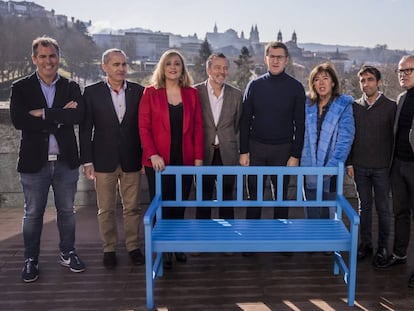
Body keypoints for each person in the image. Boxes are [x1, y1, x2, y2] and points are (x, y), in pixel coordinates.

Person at [9, 36, 86, 283]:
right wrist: (60, 116)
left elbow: (79, 116)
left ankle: (67, 252)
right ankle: (30, 259)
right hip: (34, 162)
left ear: (58, 57)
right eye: (42, 56)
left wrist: (43, 114)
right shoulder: (20, 87)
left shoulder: (71, 86)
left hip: (65, 162)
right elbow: (20, 121)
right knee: (33, 214)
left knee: (67, 211)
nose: (48, 61)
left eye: (52, 56)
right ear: (34, 59)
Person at [79, 49, 145, 270]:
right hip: (103, 161)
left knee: (132, 208)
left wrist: (145, 156)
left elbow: (144, 127)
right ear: (104, 66)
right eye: (116, 64)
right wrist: (87, 161)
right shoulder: (91, 92)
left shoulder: (138, 91)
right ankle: (109, 249)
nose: (121, 69)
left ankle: (133, 247)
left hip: (132, 159)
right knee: (105, 209)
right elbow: (85, 130)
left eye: (124, 64)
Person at [139, 49, 204, 268]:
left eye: (177, 64)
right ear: (162, 68)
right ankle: (162, 249)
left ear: (182, 68)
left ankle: (176, 245)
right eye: (169, 64)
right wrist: (152, 154)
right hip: (158, 162)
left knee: (179, 205)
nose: (173, 67)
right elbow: (144, 127)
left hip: (183, 159)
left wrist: (198, 158)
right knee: (161, 205)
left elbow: (197, 127)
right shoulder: (150, 93)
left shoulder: (191, 94)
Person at [239, 41, 305, 220]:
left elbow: (300, 124)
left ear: (286, 60)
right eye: (272, 56)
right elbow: (244, 121)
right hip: (256, 148)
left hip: (283, 150)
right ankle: (251, 240)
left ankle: (281, 239)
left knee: (281, 197)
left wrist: (295, 155)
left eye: (280, 57)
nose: (275, 61)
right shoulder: (254, 86)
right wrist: (243, 151)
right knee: (254, 196)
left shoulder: (296, 88)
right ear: (265, 58)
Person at [346, 65, 396, 268]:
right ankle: (365, 245)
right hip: (360, 166)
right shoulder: (355, 107)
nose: (366, 84)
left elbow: (396, 138)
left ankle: (383, 248)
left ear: (379, 82)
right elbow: (349, 136)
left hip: (382, 167)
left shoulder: (391, 106)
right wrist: (349, 161)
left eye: (370, 80)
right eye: (362, 81)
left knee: (384, 209)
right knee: (363, 207)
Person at [301, 63, 355, 219]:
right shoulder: (307, 104)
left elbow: (345, 138)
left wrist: (332, 167)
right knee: (311, 212)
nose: (321, 83)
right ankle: (313, 243)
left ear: (333, 82)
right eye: (317, 79)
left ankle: (328, 243)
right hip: (309, 167)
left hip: (331, 170)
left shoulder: (343, 105)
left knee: (328, 213)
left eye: (325, 78)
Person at [194, 53, 242, 220]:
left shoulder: (236, 95)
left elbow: (238, 125)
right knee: (203, 197)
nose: (222, 71)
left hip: (227, 153)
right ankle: (202, 238)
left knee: (227, 198)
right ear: (208, 69)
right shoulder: (195, 92)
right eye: (217, 67)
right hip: (203, 153)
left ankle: (227, 239)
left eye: (225, 68)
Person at [383, 56, 414, 277]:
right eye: (400, 71)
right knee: (400, 213)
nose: (403, 74)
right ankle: (399, 254)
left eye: (409, 70)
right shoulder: (402, 98)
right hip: (399, 165)